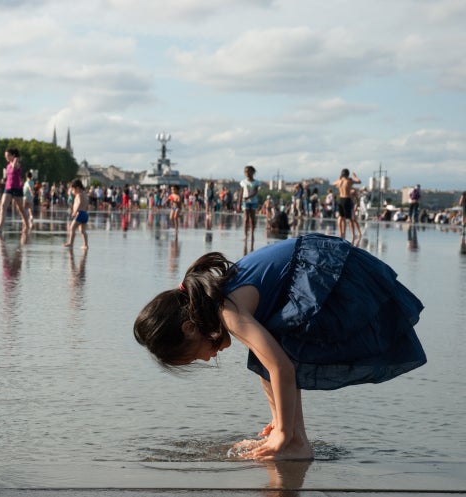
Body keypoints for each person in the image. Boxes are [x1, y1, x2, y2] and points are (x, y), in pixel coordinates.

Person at [133, 234, 426, 461]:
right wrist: (277, 421)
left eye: (195, 355)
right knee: (267, 350)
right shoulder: (221, 303)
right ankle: (294, 438)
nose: (207, 359)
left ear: (189, 328)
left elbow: (281, 367)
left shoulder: (228, 313)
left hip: (330, 271)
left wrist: (282, 434)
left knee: (278, 355)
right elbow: (269, 364)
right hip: (321, 264)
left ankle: (293, 440)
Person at [0, 148, 29, 232]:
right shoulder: (7, 165)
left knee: (20, 208)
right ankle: (0, 227)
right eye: (5, 156)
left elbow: (14, 168)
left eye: (8, 155)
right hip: (8, 187)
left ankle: (27, 224)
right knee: (2, 206)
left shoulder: (17, 163)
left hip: (17, 188)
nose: (6, 157)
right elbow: (9, 176)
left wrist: (16, 159)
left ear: (13, 155)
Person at [332, 169, 361, 240]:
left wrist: (339, 178)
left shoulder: (339, 181)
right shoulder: (349, 181)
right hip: (347, 199)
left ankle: (341, 232)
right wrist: (355, 177)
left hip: (341, 199)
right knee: (350, 218)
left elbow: (333, 183)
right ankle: (352, 234)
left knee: (341, 217)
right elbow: (359, 181)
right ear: (348, 174)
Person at [63, 179, 89, 249]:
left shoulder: (79, 195)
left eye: (73, 189)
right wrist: (85, 211)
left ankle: (70, 243)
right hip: (85, 214)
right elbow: (86, 205)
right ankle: (85, 245)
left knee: (72, 228)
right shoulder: (84, 194)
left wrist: (75, 211)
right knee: (82, 231)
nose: (72, 191)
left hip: (79, 213)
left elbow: (79, 203)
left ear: (77, 188)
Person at [240, 165, 260, 243]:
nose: (247, 173)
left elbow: (255, 192)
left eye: (248, 171)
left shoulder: (256, 182)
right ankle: (245, 235)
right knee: (246, 219)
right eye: (245, 171)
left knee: (252, 219)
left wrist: (248, 197)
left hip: (253, 202)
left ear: (252, 172)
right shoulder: (243, 182)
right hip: (245, 202)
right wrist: (239, 203)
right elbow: (241, 192)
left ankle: (252, 234)